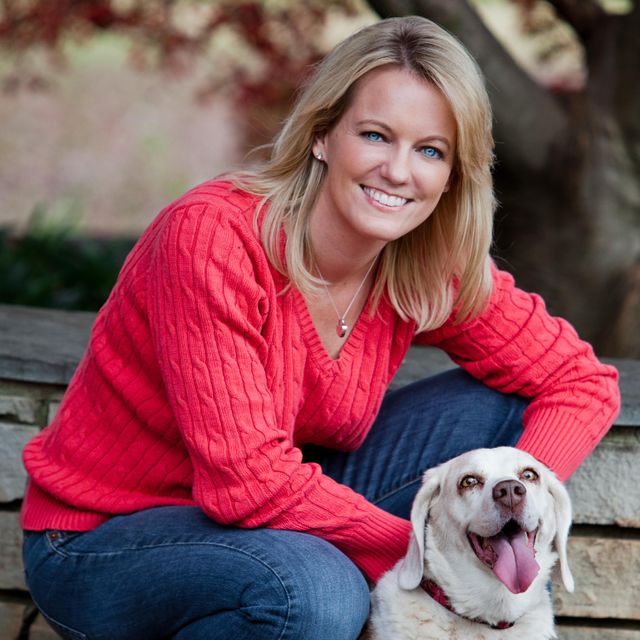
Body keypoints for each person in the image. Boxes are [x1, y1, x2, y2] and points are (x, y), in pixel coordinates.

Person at [21, 15, 619, 640]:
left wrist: (518, 520)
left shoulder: (427, 261)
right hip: (105, 540)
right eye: (375, 135)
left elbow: (581, 381)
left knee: (499, 417)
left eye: (430, 150)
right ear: (322, 135)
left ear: (452, 175)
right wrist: (430, 557)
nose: (398, 171)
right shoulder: (212, 238)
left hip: (271, 515)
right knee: (314, 595)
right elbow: (246, 482)